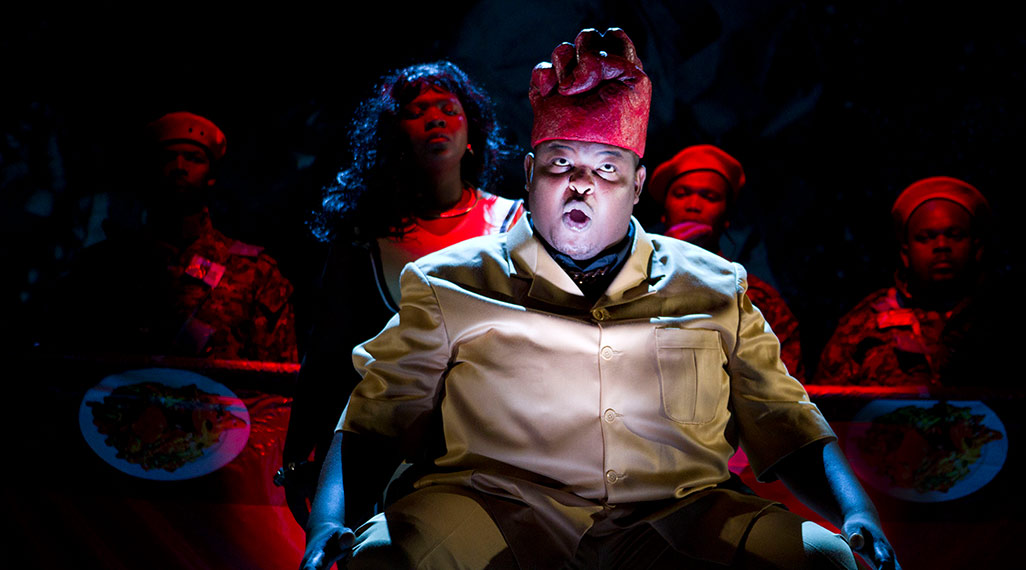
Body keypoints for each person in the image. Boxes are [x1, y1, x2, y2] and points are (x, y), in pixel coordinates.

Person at [300, 29, 899, 570]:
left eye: (607, 168)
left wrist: (857, 512)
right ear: (529, 174)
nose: (581, 183)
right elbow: (372, 422)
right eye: (560, 163)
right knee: (383, 557)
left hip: (678, 514)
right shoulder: (449, 281)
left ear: (638, 186)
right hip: (494, 509)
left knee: (825, 561)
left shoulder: (714, 285)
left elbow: (787, 422)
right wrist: (329, 522)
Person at [279, 61, 525, 526]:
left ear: (471, 133)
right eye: (416, 111)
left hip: (490, 455)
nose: (434, 119)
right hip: (384, 458)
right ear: (394, 138)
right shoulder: (363, 239)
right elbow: (327, 356)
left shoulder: (515, 227)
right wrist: (296, 456)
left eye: (448, 109)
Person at [45, 111, 298, 362]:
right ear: (150, 170)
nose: (179, 167)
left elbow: (275, 378)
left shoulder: (254, 273)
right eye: (167, 158)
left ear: (212, 176)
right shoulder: (102, 267)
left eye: (194, 158)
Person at [814, 176, 990, 387]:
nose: (941, 245)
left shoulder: (1006, 319)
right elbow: (826, 400)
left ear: (977, 249)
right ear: (905, 253)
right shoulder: (863, 324)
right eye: (925, 237)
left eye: (955, 235)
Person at [647, 144, 804, 380]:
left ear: (727, 217)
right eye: (681, 194)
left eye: (710, 197)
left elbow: (782, 382)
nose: (693, 205)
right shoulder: (630, 282)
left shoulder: (756, 298)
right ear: (664, 211)